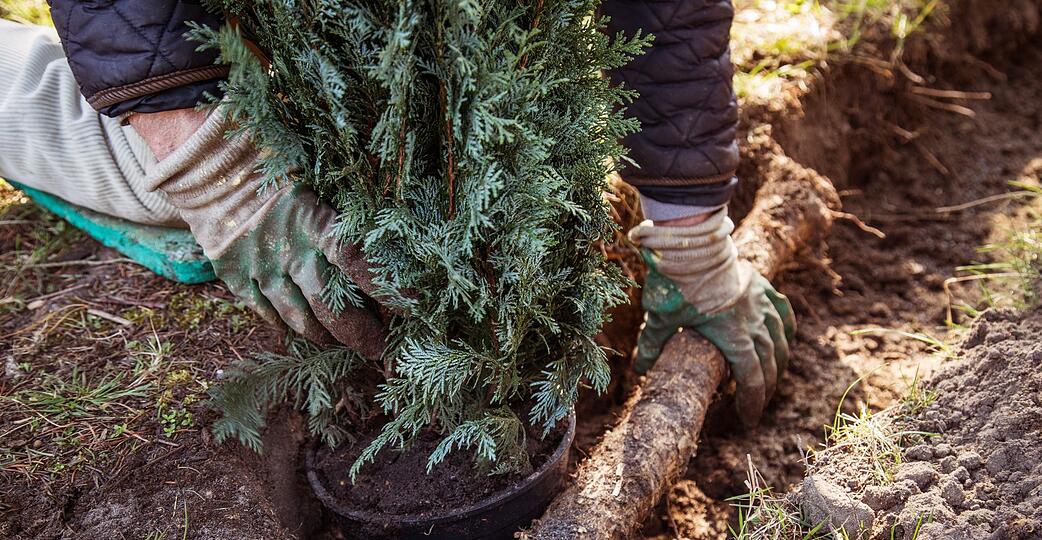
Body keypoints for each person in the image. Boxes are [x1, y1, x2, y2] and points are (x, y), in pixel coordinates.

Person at [0, 1, 793, 427]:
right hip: (243, 43)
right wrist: (209, 167)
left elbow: (668, 15)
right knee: (156, 183)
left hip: (452, 55)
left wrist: (691, 231)